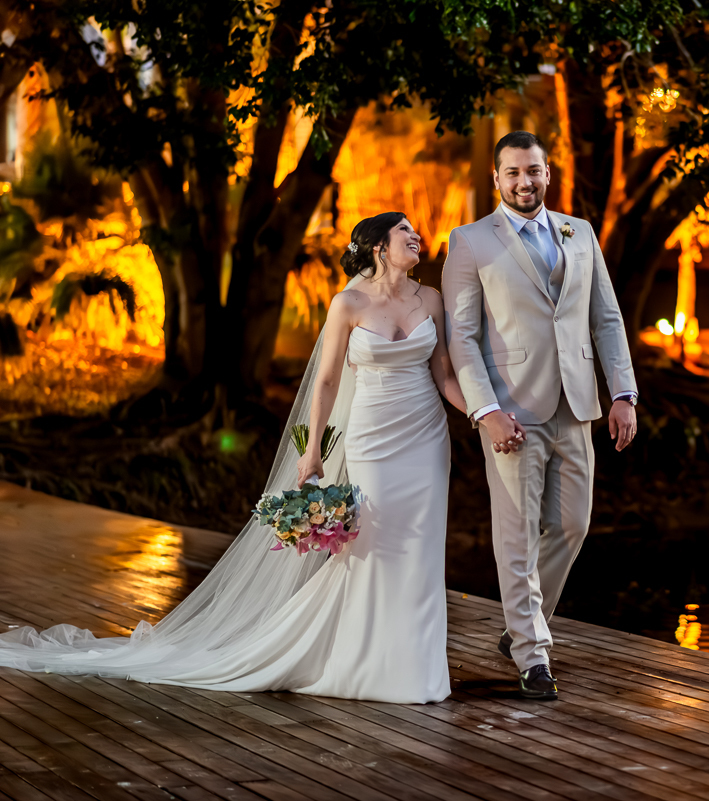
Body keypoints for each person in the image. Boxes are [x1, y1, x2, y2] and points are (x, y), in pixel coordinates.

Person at [0, 212, 466, 705]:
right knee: (373, 544)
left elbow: (445, 375)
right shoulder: (347, 303)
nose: (416, 238)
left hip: (425, 437)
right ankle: (365, 661)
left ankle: (415, 668)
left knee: (420, 547)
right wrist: (312, 454)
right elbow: (328, 380)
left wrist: (485, 414)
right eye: (405, 231)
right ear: (378, 247)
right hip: (373, 439)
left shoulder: (431, 300)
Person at [443, 131, 639, 701]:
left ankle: (521, 626)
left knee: (573, 524)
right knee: (517, 536)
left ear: (547, 173)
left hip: (578, 407)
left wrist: (622, 393)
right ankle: (533, 658)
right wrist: (485, 411)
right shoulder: (470, 241)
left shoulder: (580, 233)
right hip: (511, 410)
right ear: (496, 179)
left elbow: (607, 319)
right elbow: (463, 336)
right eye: (513, 173)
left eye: (533, 171)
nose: (524, 182)